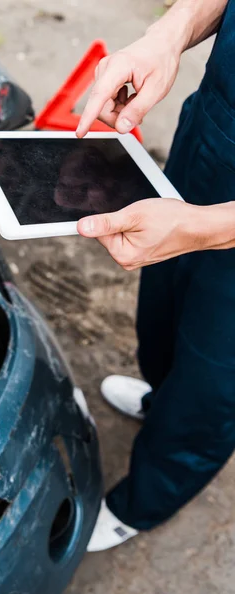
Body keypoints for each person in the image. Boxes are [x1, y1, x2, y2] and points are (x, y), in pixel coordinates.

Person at [75, 0, 235, 551]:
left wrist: (208, 226)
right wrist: (168, 34)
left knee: (213, 381)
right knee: (163, 309)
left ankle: (147, 499)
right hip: (215, 131)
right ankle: (157, 400)